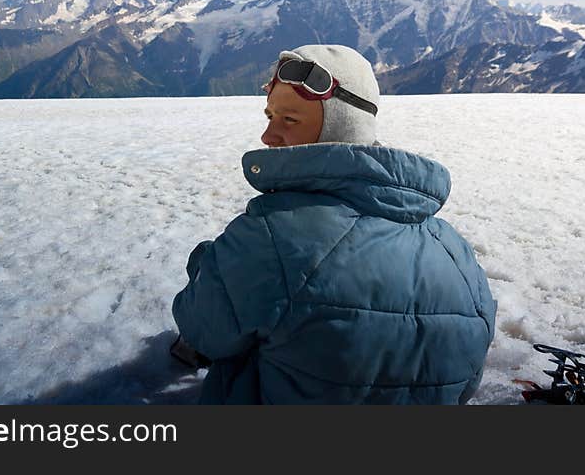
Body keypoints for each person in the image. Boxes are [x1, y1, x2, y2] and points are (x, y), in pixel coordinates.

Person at [171, 44, 496, 404]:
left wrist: (210, 262)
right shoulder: (454, 249)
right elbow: (468, 378)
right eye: (269, 117)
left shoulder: (268, 237)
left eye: (289, 119)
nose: (268, 136)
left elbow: (201, 328)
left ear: (339, 128)